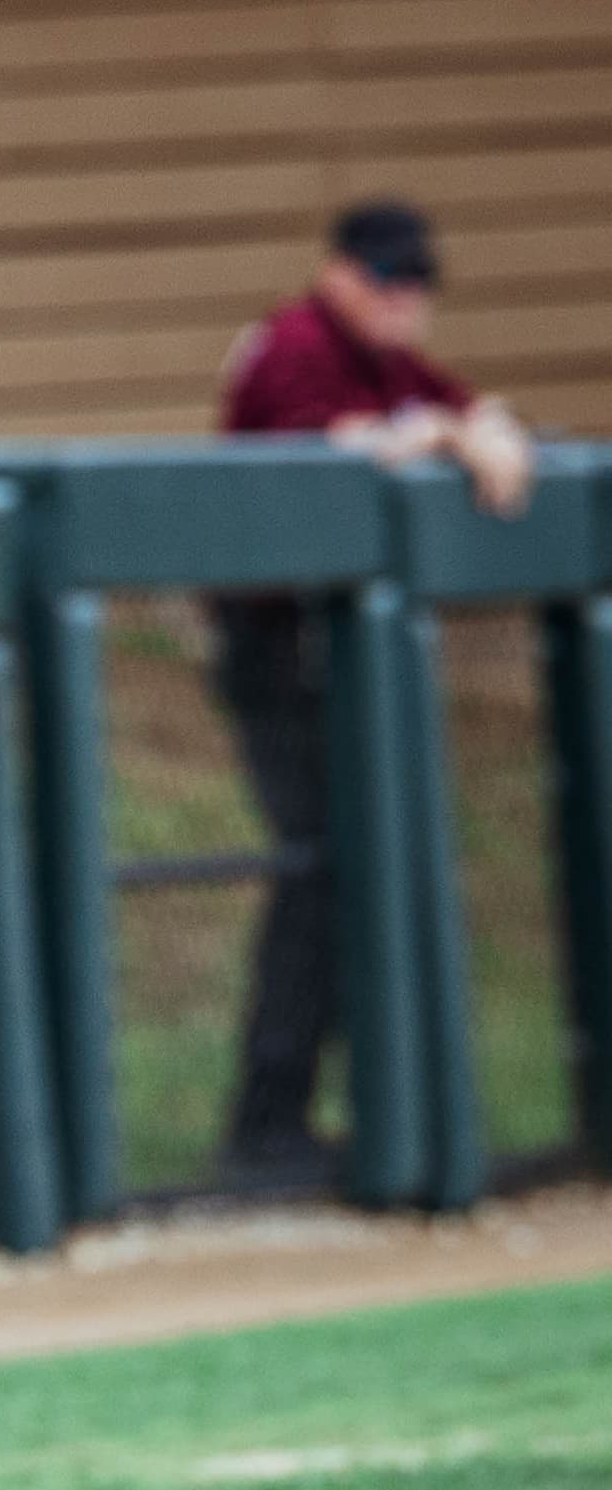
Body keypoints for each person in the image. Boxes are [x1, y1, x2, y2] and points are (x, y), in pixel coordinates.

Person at [209, 199, 533, 1178]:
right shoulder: (293, 345)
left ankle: (370, 1113)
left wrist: (476, 425)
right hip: (276, 650)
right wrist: (435, 434)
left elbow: (459, 410)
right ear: (339, 273)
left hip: (341, 655)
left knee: (364, 865)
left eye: (418, 282)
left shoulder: (386, 362)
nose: (405, 299)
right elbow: (333, 448)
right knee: (321, 868)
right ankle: (267, 1122)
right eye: (387, 279)